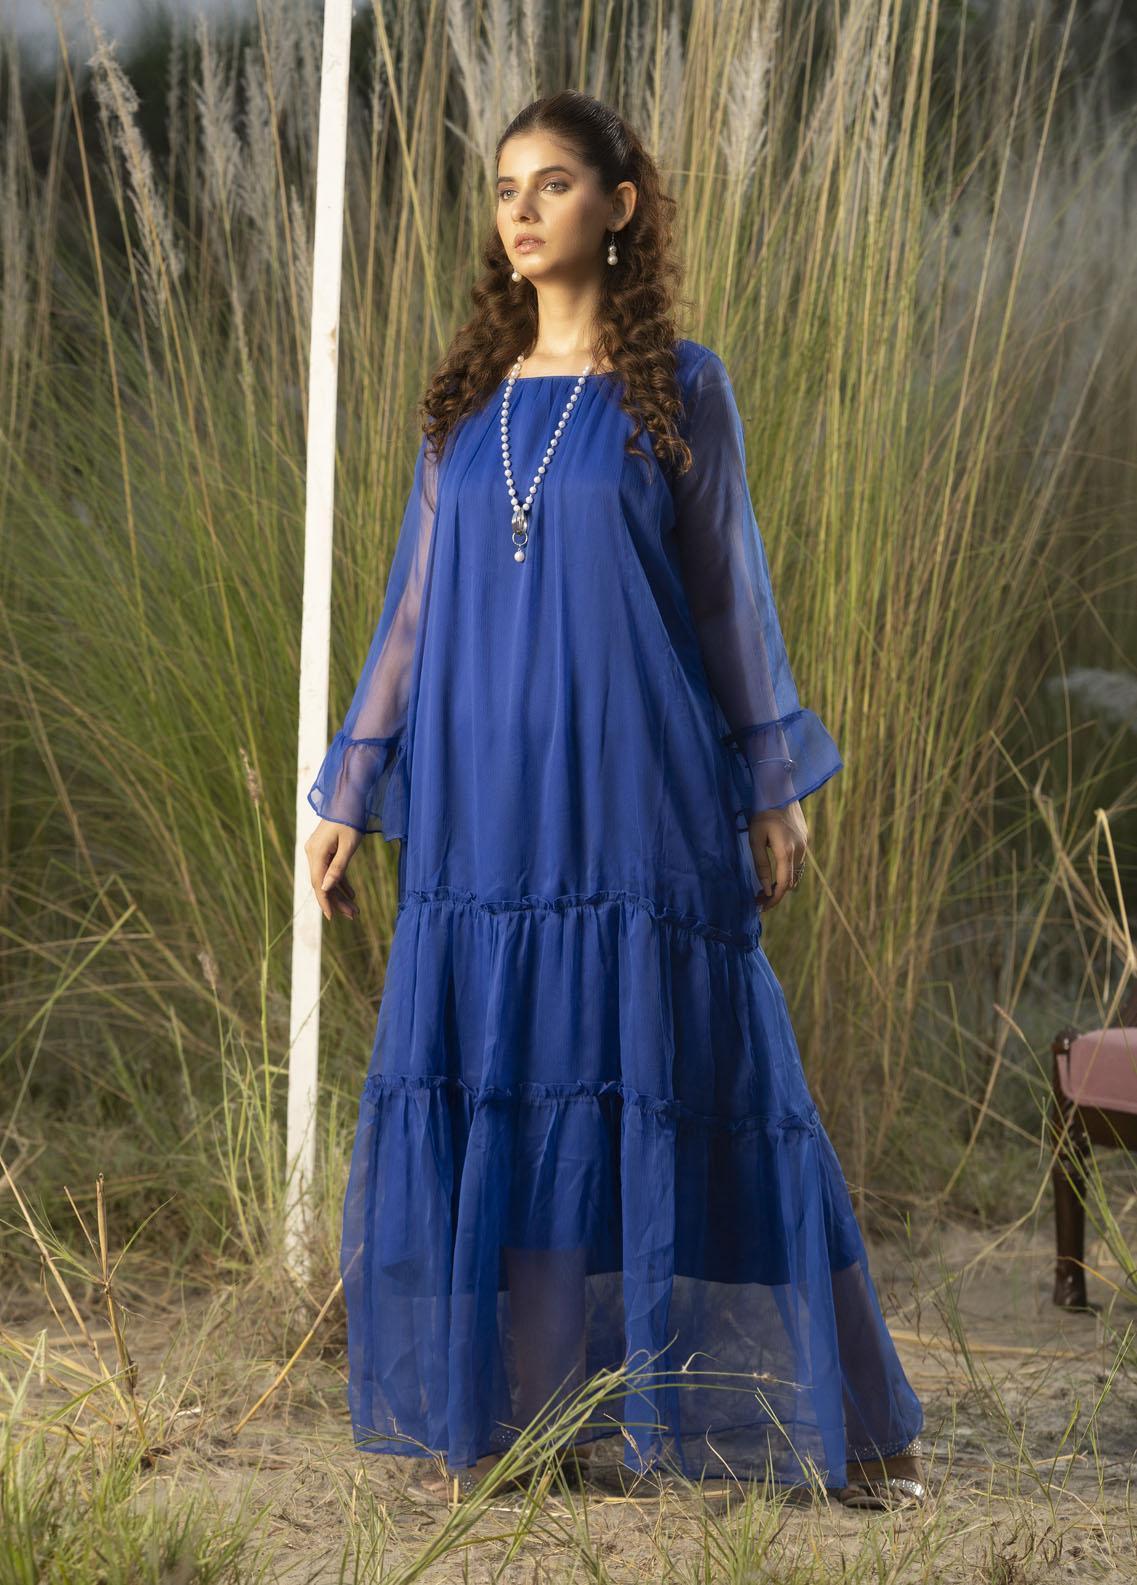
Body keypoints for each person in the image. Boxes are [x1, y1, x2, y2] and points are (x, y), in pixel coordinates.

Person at [304, 90, 927, 1510]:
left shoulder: (680, 389)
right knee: (514, 1077)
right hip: (483, 807)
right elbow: (410, 613)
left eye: (554, 184)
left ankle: (843, 1422)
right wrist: (352, 781)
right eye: (505, 188)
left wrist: (771, 785)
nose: (522, 211)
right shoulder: (463, 405)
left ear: (620, 205)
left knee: (717, 1076)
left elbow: (728, 598)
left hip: (637, 789)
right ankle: (528, 1425)